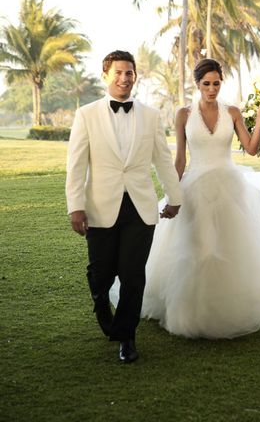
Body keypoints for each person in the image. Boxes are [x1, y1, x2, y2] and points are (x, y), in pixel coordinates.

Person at [141, 58, 260, 339]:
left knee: (230, 250)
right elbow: (181, 158)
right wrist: (173, 193)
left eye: (216, 83)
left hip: (229, 188)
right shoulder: (184, 114)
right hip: (194, 188)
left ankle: (226, 311)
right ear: (197, 84)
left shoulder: (232, 111)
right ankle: (189, 315)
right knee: (200, 249)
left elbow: (252, 148)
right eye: (206, 84)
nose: (211, 89)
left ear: (222, 83)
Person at [65, 50, 182, 363]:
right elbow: (76, 165)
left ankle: (126, 338)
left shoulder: (152, 116)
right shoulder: (86, 115)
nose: (124, 78)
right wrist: (76, 206)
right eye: (118, 73)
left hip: (140, 208)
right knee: (100, 274)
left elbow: (163, 160)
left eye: (129, 73)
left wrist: (175, 197)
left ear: (135, 76)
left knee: (133, 275)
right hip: (100, 206)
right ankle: (102, 304)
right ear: (106, 75)